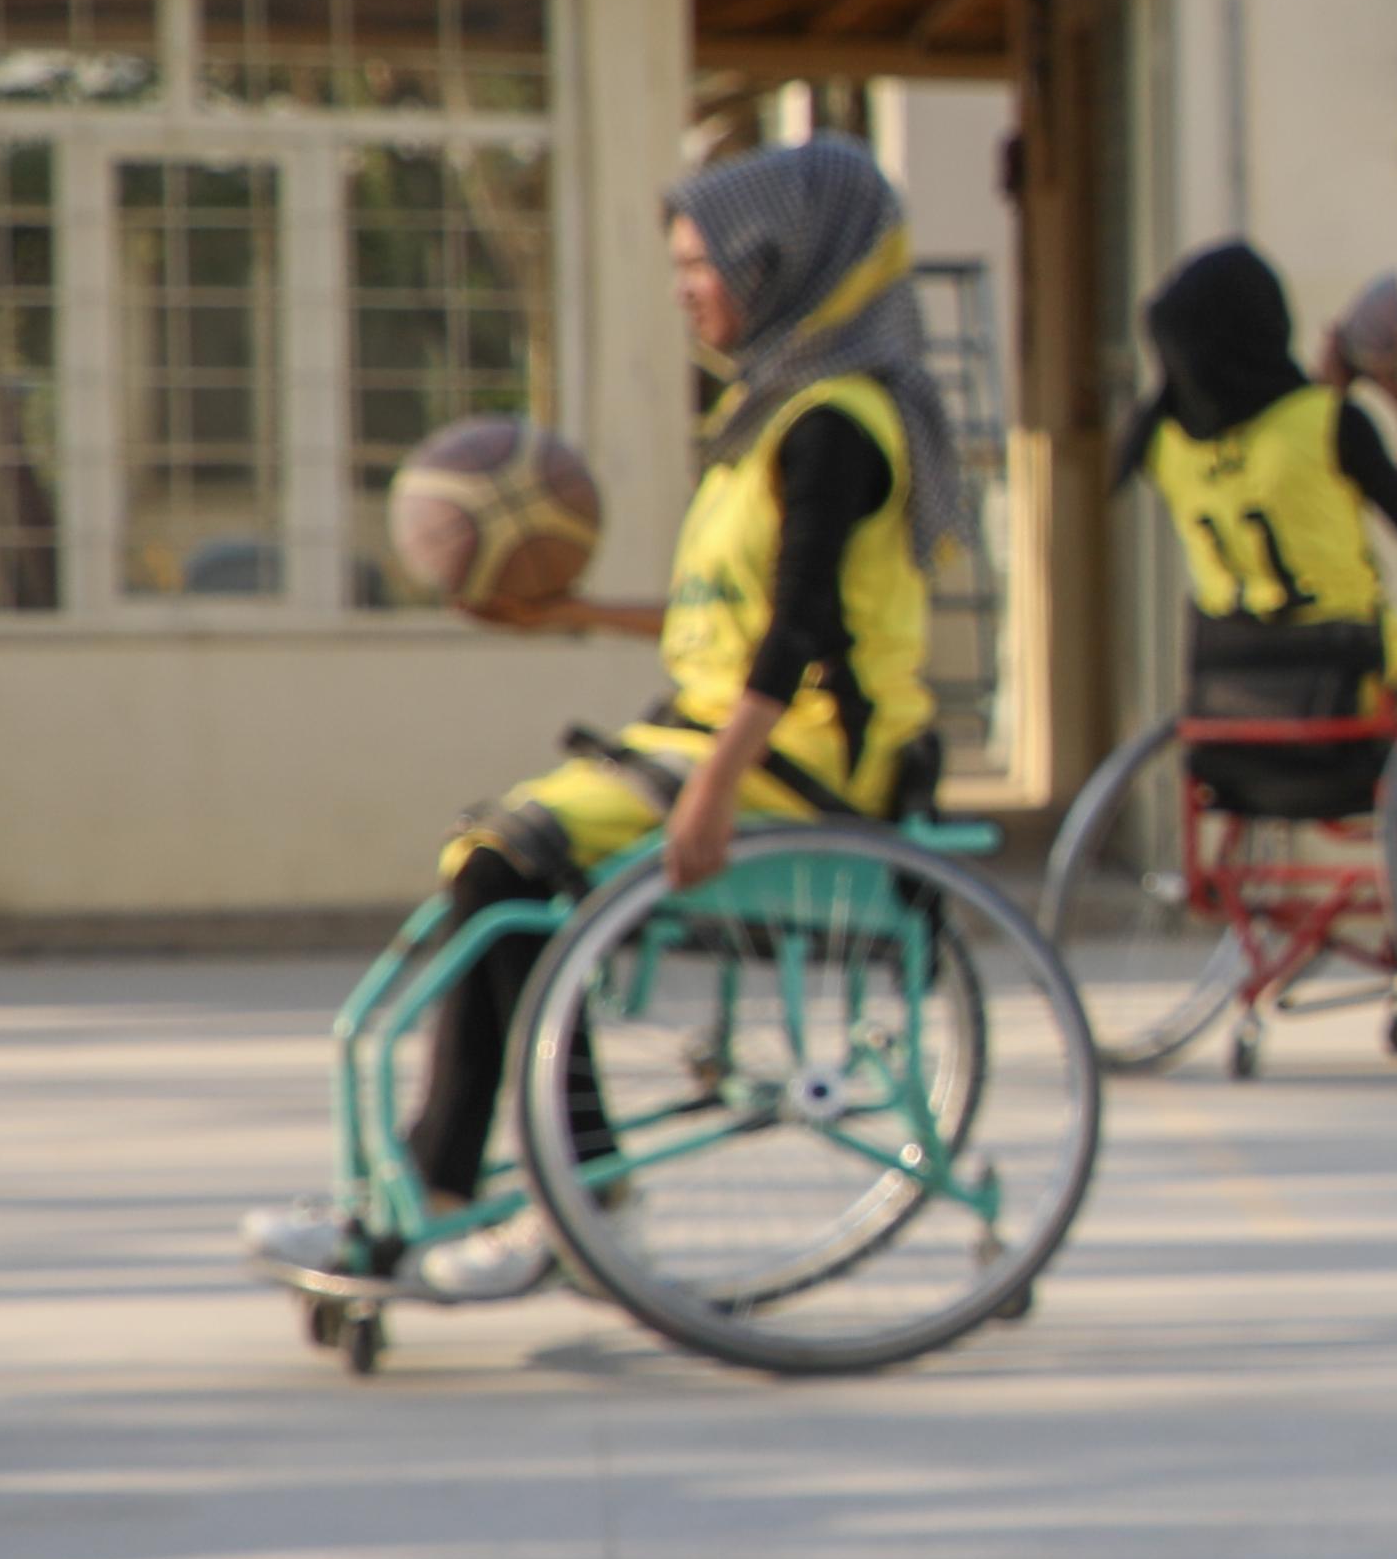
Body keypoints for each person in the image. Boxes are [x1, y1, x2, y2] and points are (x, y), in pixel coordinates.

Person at [246, 139, 977, 1291]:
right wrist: (572, 611)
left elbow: (796, 638)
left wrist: (721, 786)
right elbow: (731, 617)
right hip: (737, 734)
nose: (687, 289)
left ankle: (490, 1191)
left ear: (782, 262)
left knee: (501, 866)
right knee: (499, 868)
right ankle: (557, 1187)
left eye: (703, 265)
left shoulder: (835, 424)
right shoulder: (776, 413)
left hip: (803, 763)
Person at [1137, 241, 1397, 724]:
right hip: (1348, 686)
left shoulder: (1160, 443)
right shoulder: (1329, 424)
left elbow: (1256, 460)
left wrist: (1323, 389)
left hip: (1227, 698)